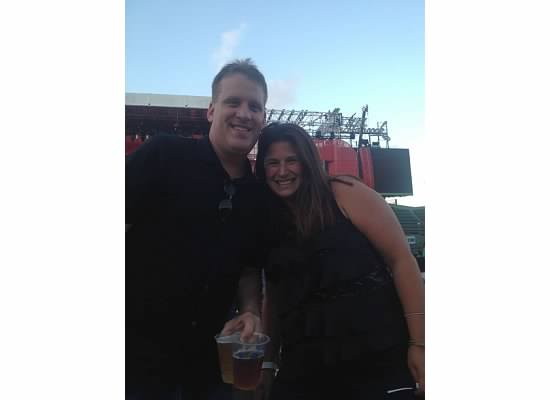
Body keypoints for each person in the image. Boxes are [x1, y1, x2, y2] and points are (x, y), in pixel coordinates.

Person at [126, 59, 269, 400]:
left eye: (254, 106)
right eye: (233, 102)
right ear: (211, 111)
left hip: (208, 366)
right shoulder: (163, 155)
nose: (244, 113)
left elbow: (249, 268)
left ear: (263, 118)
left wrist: (250, 309)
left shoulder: (257, 194)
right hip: (134, 358)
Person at [254, 123, 425, 399]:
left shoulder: (345, 193)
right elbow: (273, 297)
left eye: (291, 160)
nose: (282, 171)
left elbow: (401, 261)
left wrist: (420, 344)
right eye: (273, 163)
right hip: (303, 365)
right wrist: (267, 362)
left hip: (375, 358)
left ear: (307, 162)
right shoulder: (268, 221)